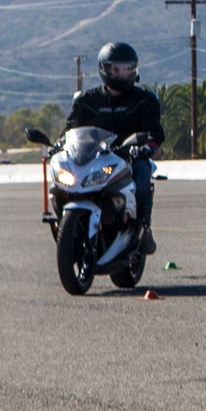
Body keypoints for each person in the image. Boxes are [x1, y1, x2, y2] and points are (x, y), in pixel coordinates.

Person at [64, 41, 164, 254]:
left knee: (142, 178)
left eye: (127, 69)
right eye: (116, 69)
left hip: (129, 158)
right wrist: (58, 145)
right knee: (65, 179)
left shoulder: (144, 99)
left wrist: (148, 147)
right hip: (92, 160)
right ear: (104, 69)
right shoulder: (86, 100)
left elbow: (154, 131)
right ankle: (65, 223)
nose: (122, 74)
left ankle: (143, 228)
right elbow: (69, 130)